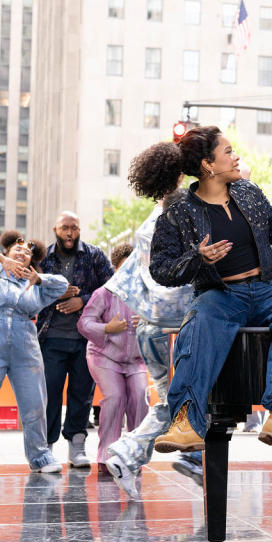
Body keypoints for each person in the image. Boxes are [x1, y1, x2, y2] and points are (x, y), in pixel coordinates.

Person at [130, 126, 272, 454]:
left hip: (267, 288)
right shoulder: (178, 212)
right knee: (197, 327)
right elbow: (162, 271)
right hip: (220, 294)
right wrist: (198, 258)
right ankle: (186, 424)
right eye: (229, 151)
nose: (236, 158)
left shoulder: (248, 191)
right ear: (208, 164)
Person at [103, 187, 202, 498]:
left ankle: (136, 457)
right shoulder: (183, 223)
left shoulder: (149, 224)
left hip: (149, 327)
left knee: (172, 398)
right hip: (177, 328)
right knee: (187, 397)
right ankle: (134, 451)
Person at [0, 231, 67, 477]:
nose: (23, 252)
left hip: (25, 346)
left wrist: (39, 279)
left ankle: (39, 456)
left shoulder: (35, 284)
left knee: (35, 404)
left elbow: (62, 285)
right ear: (6, 250)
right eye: (18, 247)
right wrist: (0, 259)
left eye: (28, 251)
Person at [38, 211, 114, 467]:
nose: (69, 233)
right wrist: (56, 295)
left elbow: (111, 287)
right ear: (55, 230)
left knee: (82, 393)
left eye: (74, 228)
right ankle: (45, 448)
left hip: (86, 339)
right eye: (64, 228)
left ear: (79, 230)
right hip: (51, 339)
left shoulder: (94, 256)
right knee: (49, 394)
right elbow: (30, 291)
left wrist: (81, 300)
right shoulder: (43, 258)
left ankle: (77, 446)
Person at [77, 243, 149, 468]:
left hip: (135, 360)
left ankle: (134, 454)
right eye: (124, 268)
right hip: (103, 356)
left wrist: (148, 322)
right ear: (116, 269)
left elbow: (162, 322)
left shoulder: (147, 295)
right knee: (115, 397)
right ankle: (107, 456)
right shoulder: (104, 293)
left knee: (140, 397)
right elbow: (84, 323)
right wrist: (107, 328)